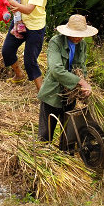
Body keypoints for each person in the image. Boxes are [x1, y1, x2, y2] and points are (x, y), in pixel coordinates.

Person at [37, 14, 98, 145]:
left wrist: (84, 87)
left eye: (81, 34)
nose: (79, 37)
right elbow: (56, 70)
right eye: (76, 33)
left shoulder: (82, 45)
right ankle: (42, 159)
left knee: (68, 135)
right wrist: (80, 82)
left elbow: (81, 67)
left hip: (70, 94)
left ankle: (65, 156)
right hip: (52, 94)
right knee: (45, 136)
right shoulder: (56, 42)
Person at [2, 0, 50, 89]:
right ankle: (18, 75)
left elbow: (29, 9)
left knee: (30, 60)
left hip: (34, 27)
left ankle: (41, 92)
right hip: (20, 22)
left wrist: (8, 0)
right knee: (7, 50)